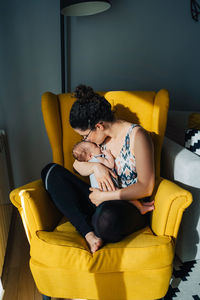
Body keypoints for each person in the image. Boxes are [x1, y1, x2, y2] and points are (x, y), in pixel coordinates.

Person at [41, 84, 155, 254]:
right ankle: (89, 234)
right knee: (51, 172)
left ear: (99, 126)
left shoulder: (137, 137)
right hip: (98, 198)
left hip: (127, 206)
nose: (84, 140)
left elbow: (146, 187)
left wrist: (105, 196)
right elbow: (76, 165)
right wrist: (96, 167)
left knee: (106, 220)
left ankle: (88, 222)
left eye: (85, 136)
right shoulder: (99, 141)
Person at [72, 140, 154, 214]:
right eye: (95, 146)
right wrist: (108, 154)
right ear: (90, 155)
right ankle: (141, 208)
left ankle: (141, 204)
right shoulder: (98, 159)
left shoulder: (90, 162)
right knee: (127, 197)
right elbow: (111, 164)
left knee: (127, 199)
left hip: (102, 190)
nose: (98, 146)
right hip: (108, 189)